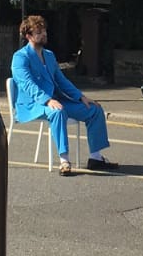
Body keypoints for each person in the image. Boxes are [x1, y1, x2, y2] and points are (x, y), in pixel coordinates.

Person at [11, 14, 117, 176]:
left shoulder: (49, 55)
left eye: (44, 31)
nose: (43, 35)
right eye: (38, 32)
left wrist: (81, 97)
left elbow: (61, 81)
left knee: (94, 110)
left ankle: (96, 158)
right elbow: (27, 84)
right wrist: (47, 100)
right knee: (58, 112)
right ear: (28, 36)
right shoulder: (20, 57)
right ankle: (64, 160)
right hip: (34, 103)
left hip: (56, 100)